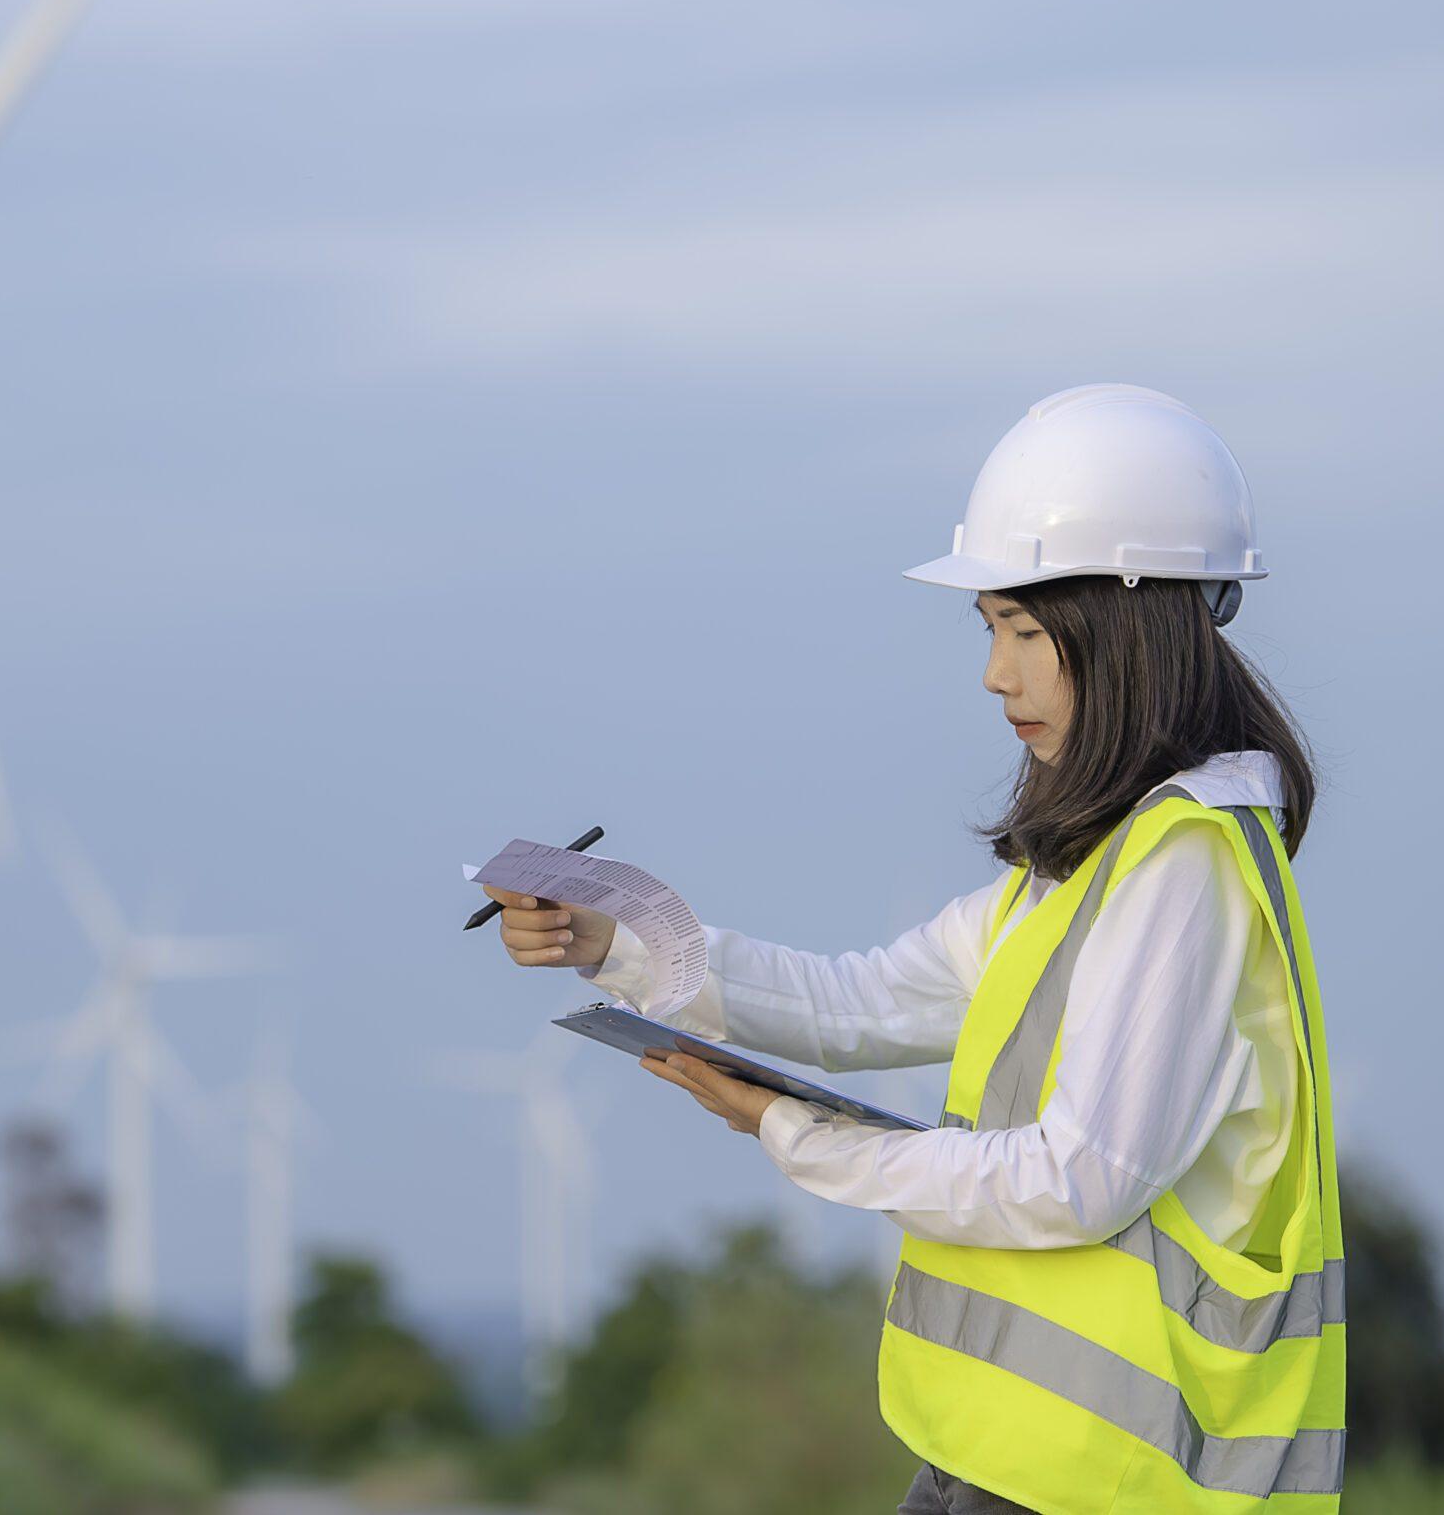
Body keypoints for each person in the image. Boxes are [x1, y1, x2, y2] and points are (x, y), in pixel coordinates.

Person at [485, 385, 1345, 1514]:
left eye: (1026, 631)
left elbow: (1078, 1178)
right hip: (1007, 1460)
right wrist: (620, 938)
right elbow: (855, 1005)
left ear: (1131, 627)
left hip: (1122, 1481)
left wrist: (797, 1134)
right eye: (989, 626)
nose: (997, 673)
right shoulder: (1082, 872)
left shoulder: (1183, 867)